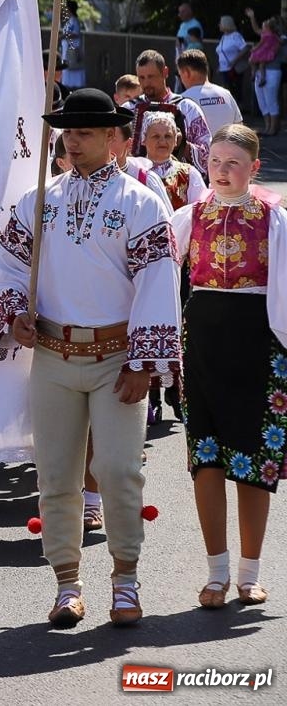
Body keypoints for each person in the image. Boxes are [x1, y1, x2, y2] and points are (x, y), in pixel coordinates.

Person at [0, 88, 181, 629]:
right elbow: (8, 264)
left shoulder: (142, 202)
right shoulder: (39, 199)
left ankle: (125, 579)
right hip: (52, 352)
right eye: (67, 132)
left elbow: (157, 281)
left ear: (113, 138)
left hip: (117, 355)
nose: (72, 141)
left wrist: (146, 361)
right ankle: (67, 584)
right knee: (55, 476)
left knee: (119, 470)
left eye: (84, 132)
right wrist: (13, 313)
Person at [170, 124, 283, 609]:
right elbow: (149, 271)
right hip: (204, 347)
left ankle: (249, 573)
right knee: (207, 460)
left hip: (259, 344)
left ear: (254, 168)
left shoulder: (275, 220)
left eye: (233, 163)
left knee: (255, 461)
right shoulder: (187, 217)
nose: (222, 171)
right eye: (215, 161)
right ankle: (215, 573)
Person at [130, 49, 211, 168]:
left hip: (179, 181)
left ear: (165, 72)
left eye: (151, 76)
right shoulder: (129, 109)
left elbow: (208, 153)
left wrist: (182, 145)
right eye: (141, 78)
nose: (146, 83)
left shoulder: (188, 108)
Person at [141, 111, 205, 211]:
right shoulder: (135, 171)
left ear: (175, 140)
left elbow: (200, 211)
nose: (162, 141)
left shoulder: (189, 174)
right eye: (156, 136)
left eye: (168, 136)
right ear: (143, 139)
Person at [176, 49, 241, 132]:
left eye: (179, 74)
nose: (180, 79)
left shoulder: (182, 100)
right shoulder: (226, 94)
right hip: (227, 144)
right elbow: (240, 129)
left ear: (187, 72)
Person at [248, 14, 284, 136]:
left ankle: (273, 128)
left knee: (271, 100)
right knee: (262, 100)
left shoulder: (280, 39)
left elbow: (274, 53)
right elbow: (257, 31)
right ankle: (267, 126)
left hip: (272, 70)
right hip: (260, 71)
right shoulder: (266, 35)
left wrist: (258, 53)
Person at [215, 14, 251, 112]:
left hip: (233, 69)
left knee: (234, 90)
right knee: (227, 90)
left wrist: (234, 60)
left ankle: (237, 111)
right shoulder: (223, 37)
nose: (219, 25)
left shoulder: (236, 36)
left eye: (221, 23)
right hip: (223, 69)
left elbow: (245, 48)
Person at [59, 1, 87, 90]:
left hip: (72, 49)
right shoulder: (70, 20)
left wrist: (64, 36)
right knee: (67, 67)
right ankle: (67, 85)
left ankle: (73, 86)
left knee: (71, 66)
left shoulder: (74, 20)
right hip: (67, 48)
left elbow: (75, 34)